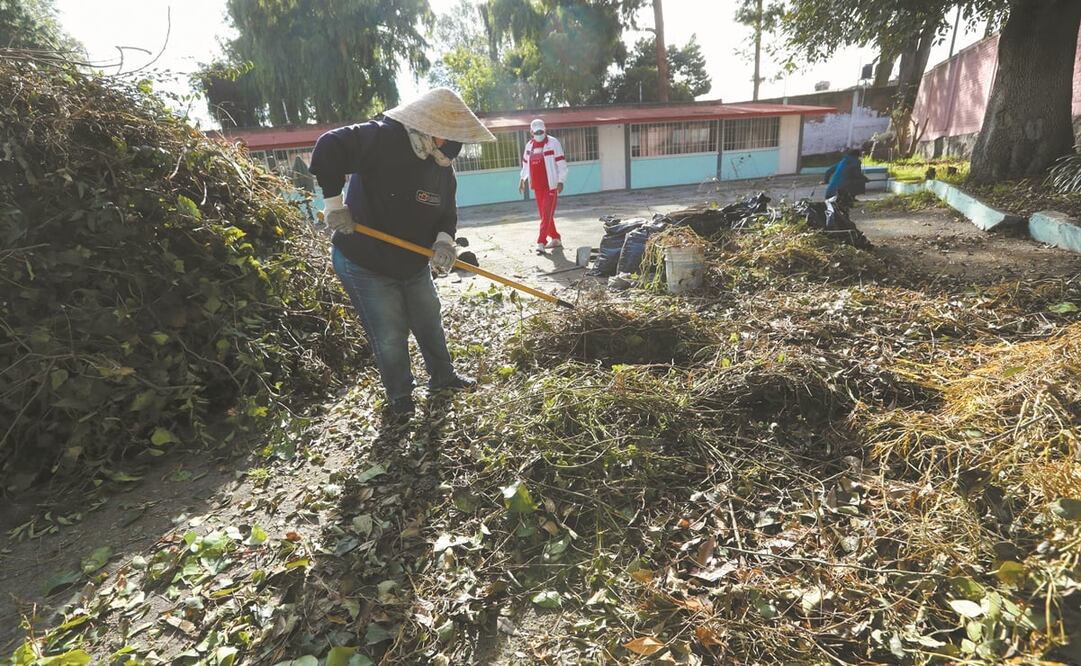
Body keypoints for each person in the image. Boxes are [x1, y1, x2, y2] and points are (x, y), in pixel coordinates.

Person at [309, 88, 496, 425]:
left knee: (428, 319)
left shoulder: (441, 166)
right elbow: (328, 147)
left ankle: (443, 376)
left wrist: (444, 243)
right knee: (390, 333)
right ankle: (400, 396)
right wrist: (334, 206)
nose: (454, 145)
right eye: (449, 135)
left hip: (411, 262)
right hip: (364, 260)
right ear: (431, 126)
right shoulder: (384, 138)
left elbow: (447, 213)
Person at [518, 119, 568, 252]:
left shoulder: (553, 143)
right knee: (545, 215)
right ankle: (556, 238)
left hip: (551, 185)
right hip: (537, 186)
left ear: (545, 130)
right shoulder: (529, 146)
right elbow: (525, 165)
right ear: (531, 132)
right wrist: (522, 179)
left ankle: (541, 241)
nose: (539, 134)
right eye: (536, 132)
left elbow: (562, 164)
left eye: (541, 131)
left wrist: (561, 181)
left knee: (546, 213)